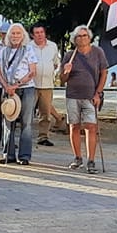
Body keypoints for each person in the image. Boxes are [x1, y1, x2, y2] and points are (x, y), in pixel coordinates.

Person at [60, 25, 108, 174]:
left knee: (91, 127)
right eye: (79, 36)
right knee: (74, 126)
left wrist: (98, 93)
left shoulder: (98, 52)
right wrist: (66, 71)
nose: (82, 38)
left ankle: (91, 160)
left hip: (90, 96)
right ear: (75, 39)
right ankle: (77, 157)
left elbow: (104, 73)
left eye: (85, 35)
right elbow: (62, 79)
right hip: (73, 95)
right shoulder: (70, 55)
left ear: (90, 37)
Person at [0, 23, 39, 165]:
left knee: (26, 123)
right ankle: (8, 154)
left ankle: (24, 156)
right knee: (8, 121)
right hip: (8, 89)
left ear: (23, 36)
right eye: (12, 33)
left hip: (26, 88)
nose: (15, 36)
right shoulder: (3, 52)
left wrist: (16, 85)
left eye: (18, 34)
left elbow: (32, 72)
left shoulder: (28, 50)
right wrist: (6, 86)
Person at [30, 24, 61, 146]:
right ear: (32, 35)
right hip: (31, 84)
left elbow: (56, 63)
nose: (39, 35)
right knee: (27, 111)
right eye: (37, 33)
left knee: (45, 112)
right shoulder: (28, 47)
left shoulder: (52, 46)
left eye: (41, 32)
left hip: (47, 84)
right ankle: (25, 134)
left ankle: (43, 136)